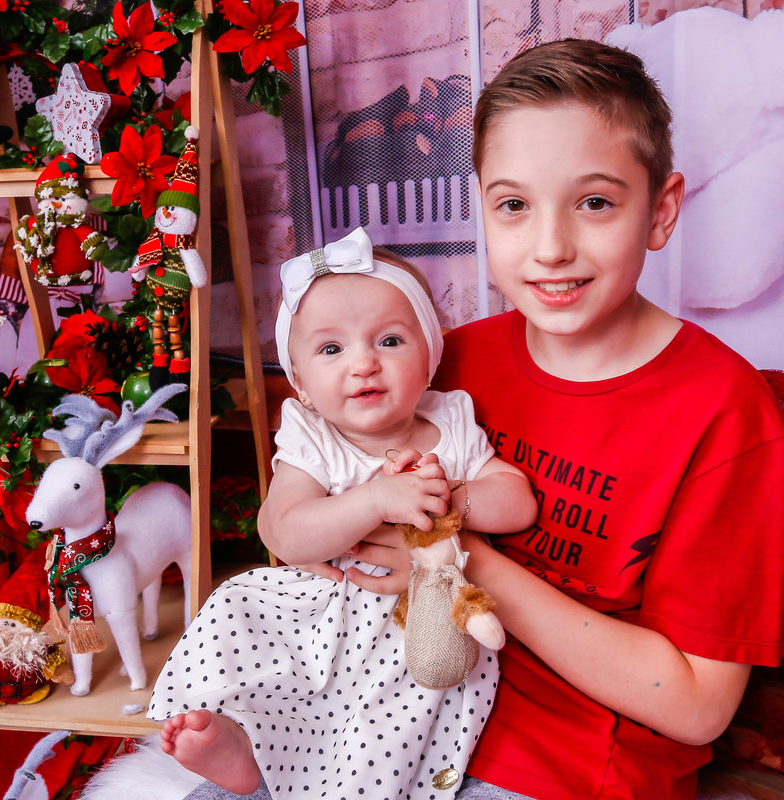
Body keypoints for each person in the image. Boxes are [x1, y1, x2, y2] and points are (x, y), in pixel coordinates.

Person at [428, 39, 784, 799]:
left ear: (661, 211)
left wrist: (464, 560)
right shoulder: (448, 360)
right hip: (393, 719)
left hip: (567, 768)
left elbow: (697, 707)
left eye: (594, 202)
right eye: (513, 205)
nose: (550, 249)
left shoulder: (724, 412)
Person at [147, 227, 539, 799]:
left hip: (413, 622)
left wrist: (446, 497)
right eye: (332, 349)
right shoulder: (314, 436)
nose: (364, 364)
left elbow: (518, 501)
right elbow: (283, 530)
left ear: (430, 358)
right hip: (320, 609)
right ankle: (242, 743)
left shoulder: (450, 420)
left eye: (390, 341)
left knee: (388, 718)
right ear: (302, 385)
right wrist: (377, 500)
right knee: (237, 605)